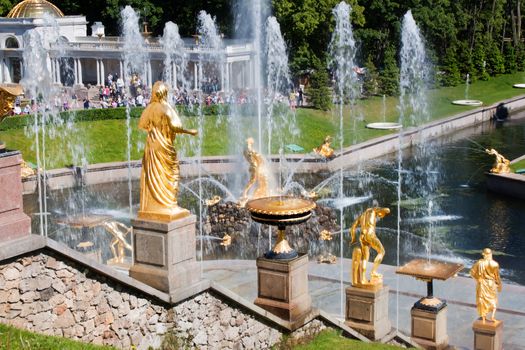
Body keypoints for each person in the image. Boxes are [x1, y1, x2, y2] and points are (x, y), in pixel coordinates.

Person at [138, 81, 197, 221]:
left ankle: (155, 206)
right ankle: (169, 204)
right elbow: (176, 126)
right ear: (165, 93)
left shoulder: (149, 108)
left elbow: (142, 125)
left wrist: (154, 129)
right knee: (172, 172)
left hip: (152, 146)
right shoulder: (166, 108)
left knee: (155, 174)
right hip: (164, 146)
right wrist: (190, 132)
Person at [349, 207, 390, 286]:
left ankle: (363, 278)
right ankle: (373, 272)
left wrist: (353, 239)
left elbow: (353, 227)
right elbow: (387, 209)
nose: (380, 216)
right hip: (370, 235)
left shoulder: (361, 216)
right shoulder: (373, 210)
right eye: (381, 215)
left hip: (362, 236)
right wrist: (385, 211)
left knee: (365, 258)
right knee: (382, 251)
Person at [470, 248, 502, 322]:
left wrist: (477, 280)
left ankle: (483, 317)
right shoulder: (495, 264)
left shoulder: (479, 263)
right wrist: (499, 285)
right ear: (490, 254)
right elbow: (497, 277)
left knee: (482, 301)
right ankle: (492, 317)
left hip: (482, 284)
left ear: (484, 254)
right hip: (491, 284)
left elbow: (472, 273)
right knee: (493, 300)